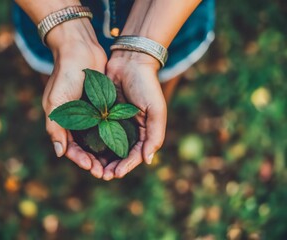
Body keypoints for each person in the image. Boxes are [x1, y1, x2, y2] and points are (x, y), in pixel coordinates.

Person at [13, 0, 215, 180]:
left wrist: (143, 55)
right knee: (61, 72)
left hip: (169, 14)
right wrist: (66, 36)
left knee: (154, 85)